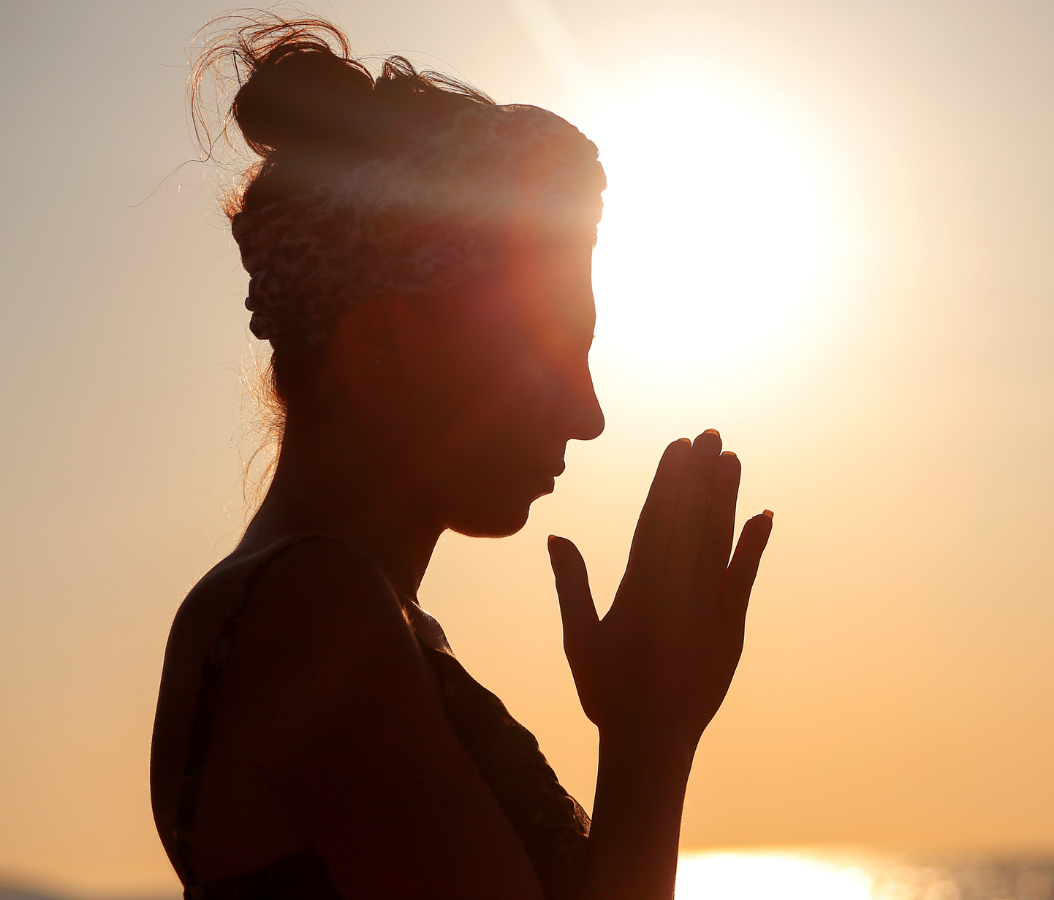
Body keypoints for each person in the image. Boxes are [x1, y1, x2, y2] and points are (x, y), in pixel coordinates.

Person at [149, 15, 774, 900]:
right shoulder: (311, 616)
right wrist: (649, 734)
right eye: (545, 350)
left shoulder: (335, 611)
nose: (588, 414)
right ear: (384, 340)